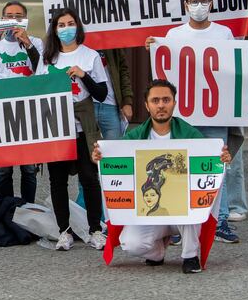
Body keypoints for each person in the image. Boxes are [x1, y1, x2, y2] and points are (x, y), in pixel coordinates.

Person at [92, 80, 233, 274]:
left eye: (166, 100)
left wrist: (222, 158)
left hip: (183, 213)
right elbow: (114, 159)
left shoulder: (190, 134)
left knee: (192, 205)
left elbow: (210, 162)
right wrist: (100, 156)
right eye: (155, 100)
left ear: (174, 103)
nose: (161, 105)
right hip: (151, 210)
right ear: (146, 105)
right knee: (130, 243)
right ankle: (157, 253)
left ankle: (190, 256)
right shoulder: (135, 136)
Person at [145, 0, 240, 243]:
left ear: (211, 4)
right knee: (179, 167)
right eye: (194, 1)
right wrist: (155, 49)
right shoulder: (174, 35)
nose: (199, 5)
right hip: (184, 116)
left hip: (215, 112)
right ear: (186, 5)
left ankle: (219, 221)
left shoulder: (225, 34)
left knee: (217, 166)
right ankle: (180, 222)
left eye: (203, 0)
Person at [36, 7, 107, 252]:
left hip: (84, 127)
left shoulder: (91, 56)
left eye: (70, 23)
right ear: (54, 30)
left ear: (78, 26)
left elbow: (102, 93)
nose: (66, 29)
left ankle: (95, 230)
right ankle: (64, 231)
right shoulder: (48, 59)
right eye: (61, 25)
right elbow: (37, 92)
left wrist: (83, 76)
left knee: (90, 179)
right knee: (58, 181)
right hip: (57, 127)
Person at [0, 1, 44, 203]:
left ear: (25, 20)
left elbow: (43, 72)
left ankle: (29, 210)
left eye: (18, 16)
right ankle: (7, 209)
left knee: (28, 169)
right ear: (1, 20)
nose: (13, 20)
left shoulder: (37, 43)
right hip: (3, 115)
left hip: (30, 114)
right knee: (3, 170)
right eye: (9, 15)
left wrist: (27, 44)